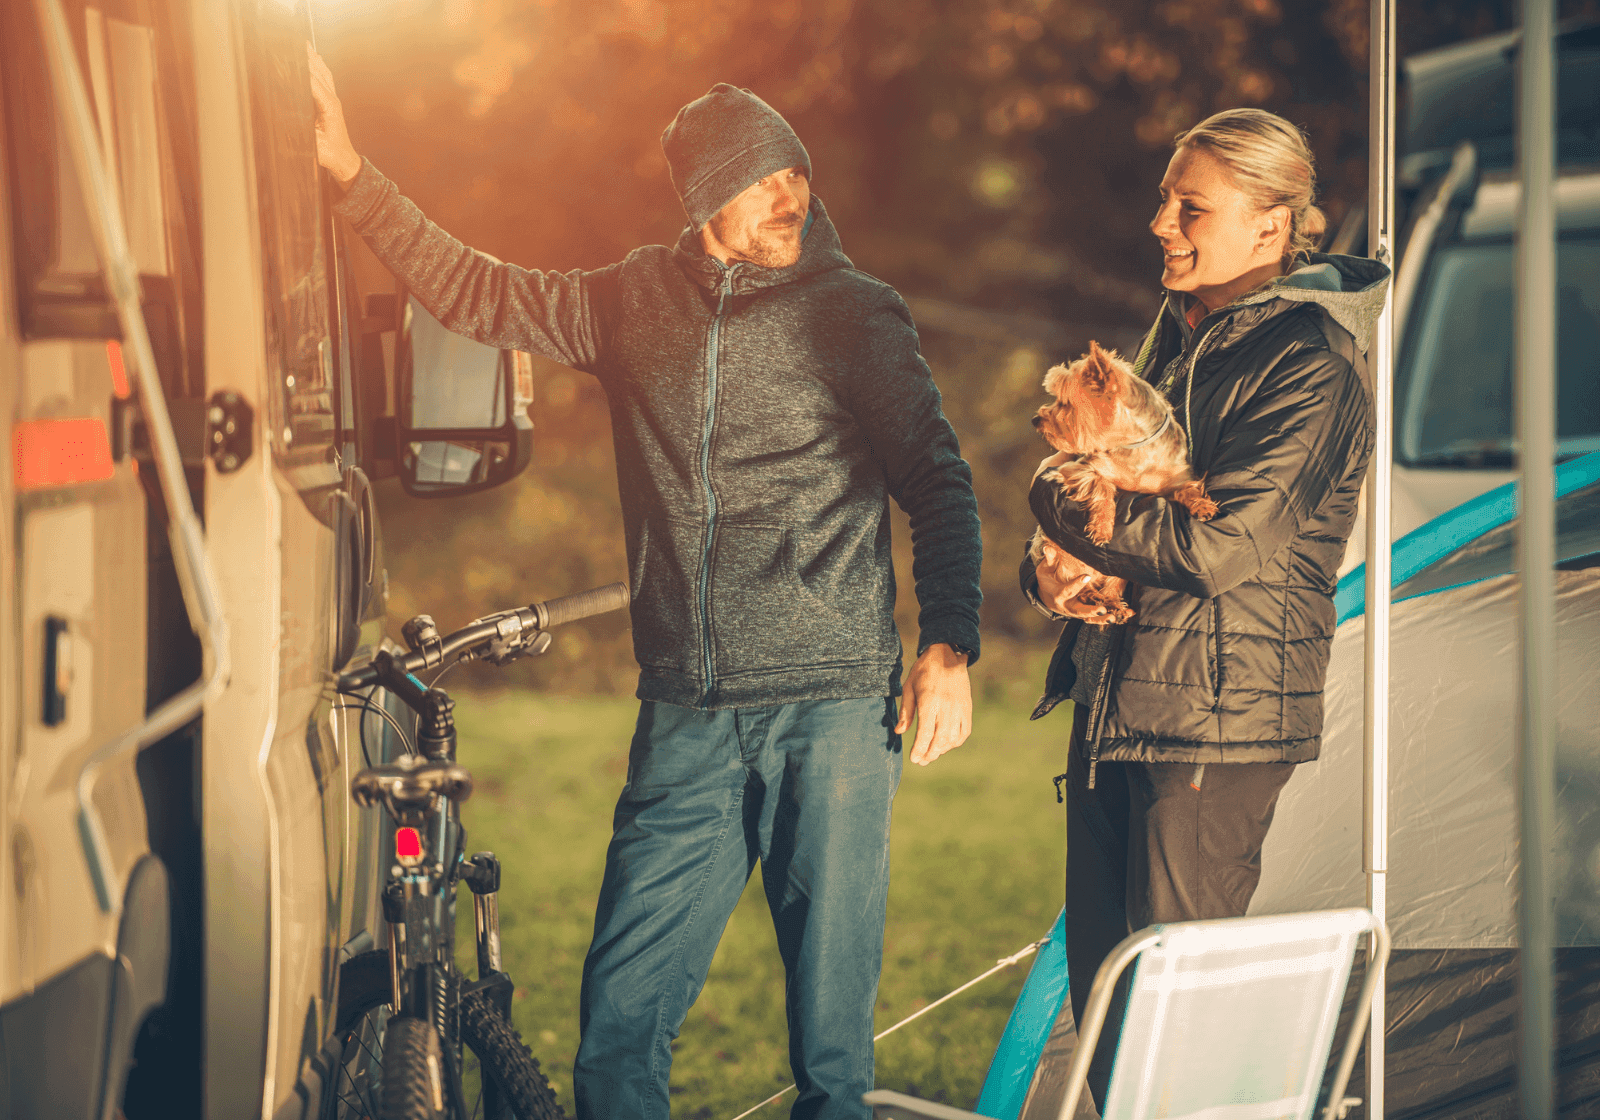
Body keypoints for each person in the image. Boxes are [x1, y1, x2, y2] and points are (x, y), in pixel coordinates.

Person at [308, 52, 982, 1120]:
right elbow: (477, 289)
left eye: (795, 174)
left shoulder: (855, 313)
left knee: (831, 1052)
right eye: (761, 179)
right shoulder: (629, 302)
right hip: (687, 718)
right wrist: (352, 175)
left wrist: (948, 642)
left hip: (833, 711)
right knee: (618, 1025)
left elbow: (937, 481)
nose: (790, 196)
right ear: (705, 197)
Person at [1020, 108, 1389, 1108]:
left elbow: (1213, 548)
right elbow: (1105, 482)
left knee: (1175, 1023)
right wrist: (1049, 571)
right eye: (1163, 200)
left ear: (1271, 224)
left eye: (1191, 207)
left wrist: (1051, 499)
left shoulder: (1310, 364)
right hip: (1121, 704)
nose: (1161, 224)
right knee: (1109, 1010)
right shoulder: (1183, 339)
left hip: (1210, 730)